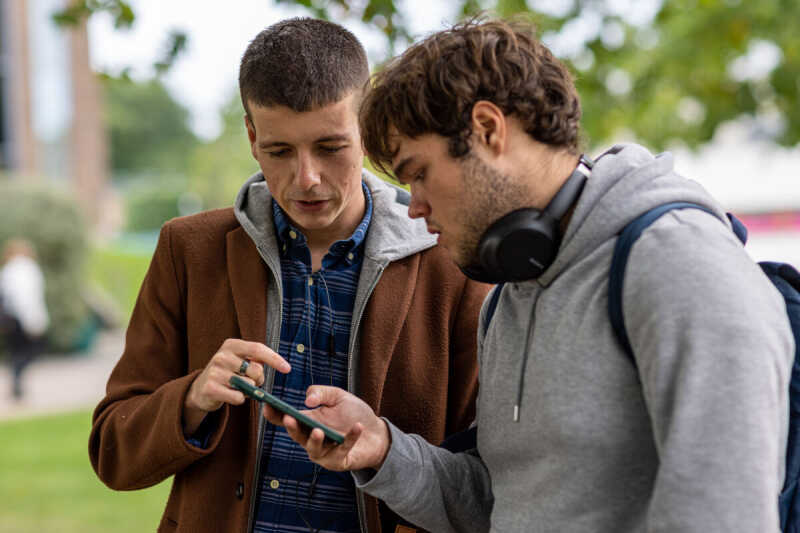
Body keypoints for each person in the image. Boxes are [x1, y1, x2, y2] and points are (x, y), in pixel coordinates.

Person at [270, 18, 795, 533]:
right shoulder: (509, 296)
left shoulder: (679, 265)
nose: (415, 207)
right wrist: (382, 447)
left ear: (488, 129)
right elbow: (497, 500)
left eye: (419, 173)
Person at [88, 18, 489, 533]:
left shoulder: (452, 259)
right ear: (252, 136)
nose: (307, 178)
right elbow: (113, 455)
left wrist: (383, 445)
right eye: (280, 151)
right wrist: (192, 400)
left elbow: (486, 475)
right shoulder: (186, 249)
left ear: (367, 129)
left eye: (329, 147)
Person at [0, 238, 49, 400]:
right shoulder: (27, 269)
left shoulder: (7, 270)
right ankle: (17, 382)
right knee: (29, 351)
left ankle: (16, 382)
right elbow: (27, 298)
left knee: (16, 352)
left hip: (9, 318)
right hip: (21, 317)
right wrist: (33, 320)